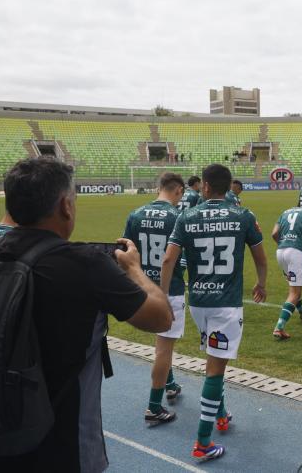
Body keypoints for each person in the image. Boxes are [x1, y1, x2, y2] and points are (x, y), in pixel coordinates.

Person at [0, 157, 171, 472]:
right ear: (66, 206)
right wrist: (134, 269)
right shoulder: (86, 263)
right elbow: (160, 317)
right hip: (66, 445)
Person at [160, 163, 267, 461]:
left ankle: (221, 415)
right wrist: (261, 282)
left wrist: (163, 293)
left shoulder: (187, 215)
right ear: (228, 185)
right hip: (227, 304)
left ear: (205, 186)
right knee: (216, 370)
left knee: (214, 358)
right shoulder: (243, 215)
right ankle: (203, 442)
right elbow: (260, 256)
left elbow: (169, 260)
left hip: (198, 303)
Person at [122, 173, 186, 426]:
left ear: (158, 188)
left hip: (141, 286)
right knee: (164, 347)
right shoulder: (177, 217)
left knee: (161, 343)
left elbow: (124, 250)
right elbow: (181, 257)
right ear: (179, 191)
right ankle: (154, 406)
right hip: (168, 288)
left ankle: (170, 383)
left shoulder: (136, 214)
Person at [270, 204, 302, 339]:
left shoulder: (285, 211)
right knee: (295, 292)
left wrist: (283, 244)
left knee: (294, 286)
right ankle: (279, 328)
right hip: (296, 252)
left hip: (281, 251)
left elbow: (274, 233)